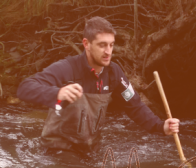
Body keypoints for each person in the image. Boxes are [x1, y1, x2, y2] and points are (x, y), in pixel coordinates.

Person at [17, 16, 180, 154]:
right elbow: (25, 88)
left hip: (90, 151)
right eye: (102, 45)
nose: (108, 51)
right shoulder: (67, 68)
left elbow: (135, 106)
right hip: (58, 152)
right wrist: (57, 93)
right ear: (86, 44)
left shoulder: (114, 73)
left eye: (111, 44)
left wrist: (160, 126)